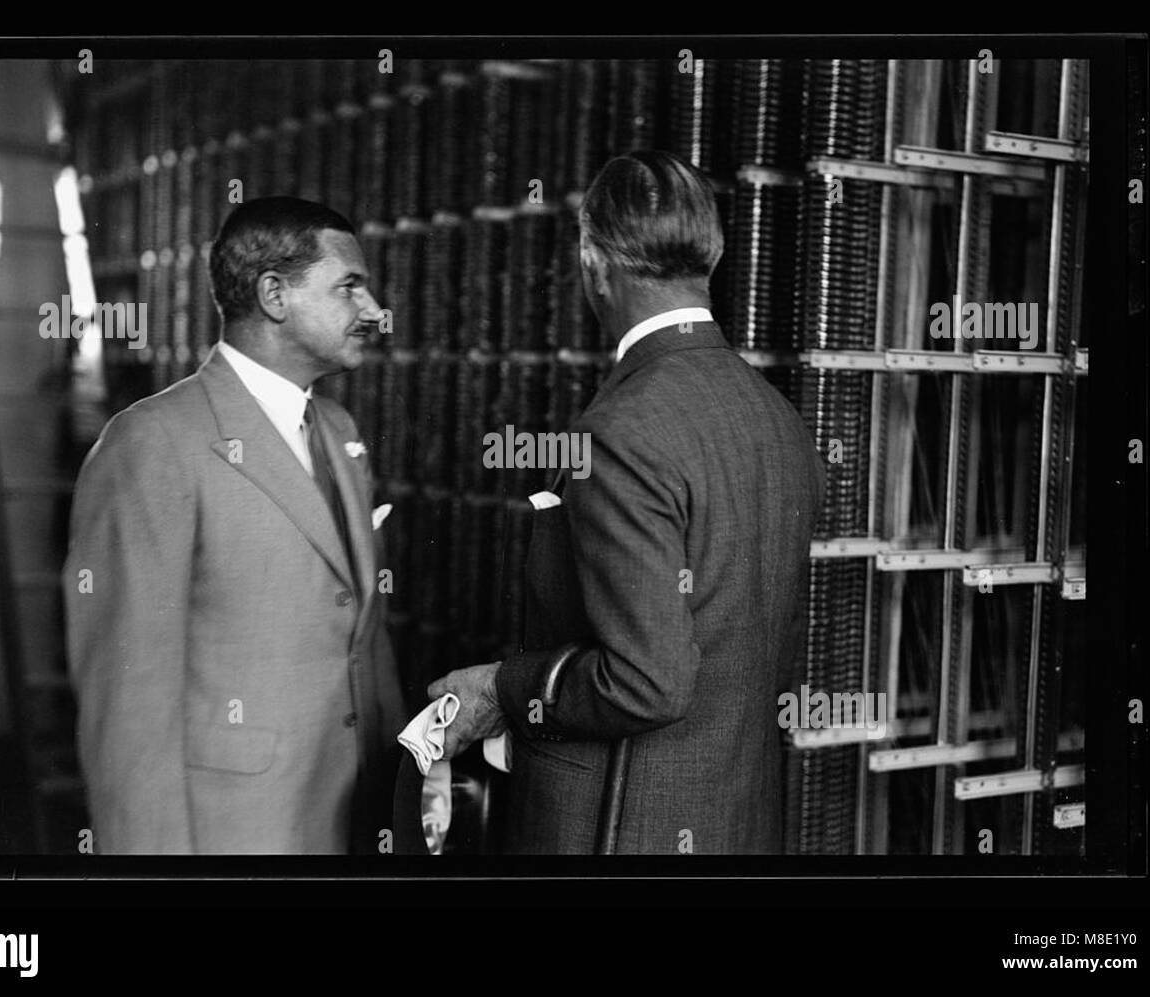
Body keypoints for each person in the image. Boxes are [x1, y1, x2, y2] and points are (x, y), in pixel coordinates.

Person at [429, 151, 825, 854]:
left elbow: (647, 681)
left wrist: (500, 687)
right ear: (715, 253)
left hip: (620, 831)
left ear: (593, 262)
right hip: (736, 819)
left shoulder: (622, 430)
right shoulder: (778, 418)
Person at [63, 197, 406, 854]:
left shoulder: (338, 432)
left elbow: (362, 636)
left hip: (355, 825)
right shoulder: (153, 444)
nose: (371, 309)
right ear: (274, 294)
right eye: (350, 287)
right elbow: (128, 711)